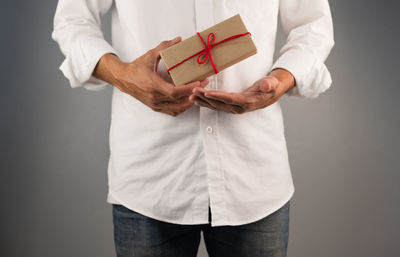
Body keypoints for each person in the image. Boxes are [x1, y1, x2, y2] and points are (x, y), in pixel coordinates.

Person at [52, 0, 334, 256]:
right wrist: (124, 75)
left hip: (252, 176)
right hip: (150, 177)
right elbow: (72, 21)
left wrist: (281, 80)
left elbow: (313, 26)